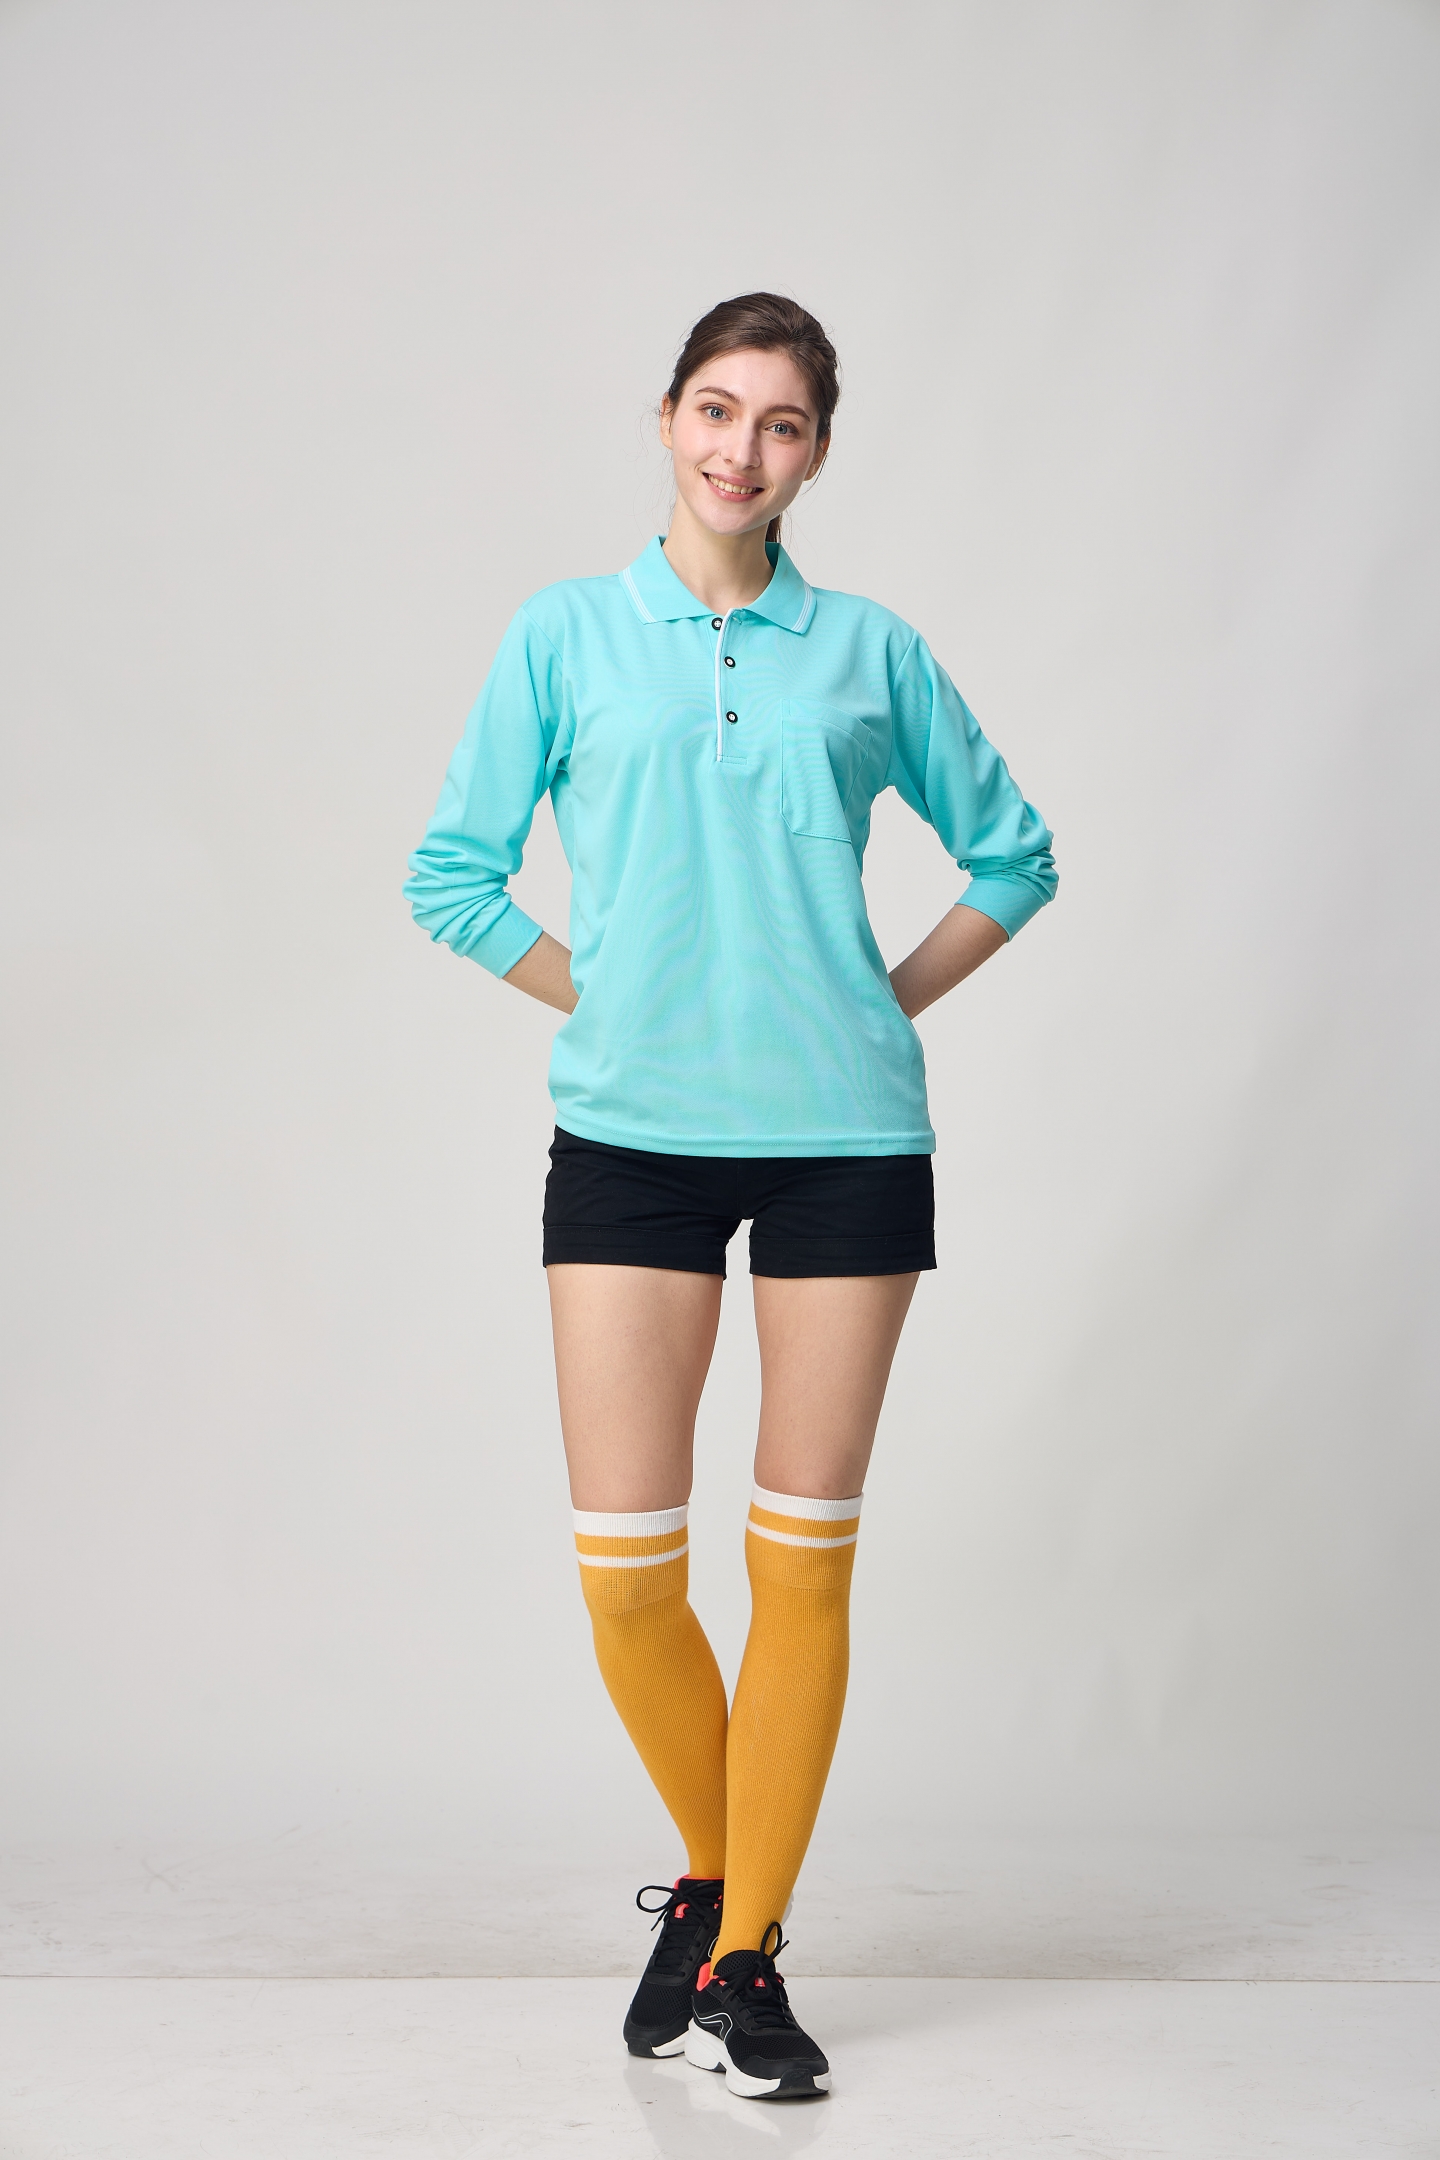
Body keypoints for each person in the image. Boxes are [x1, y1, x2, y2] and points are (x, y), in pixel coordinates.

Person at [405, 292, 1056, 2100]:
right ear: (666, 420)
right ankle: (715, 1885)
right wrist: (607, 999)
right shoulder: (564, 634)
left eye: (780, 423)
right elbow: (451, 875)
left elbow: (1015, 855)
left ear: (816, 455)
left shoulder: (869, 649)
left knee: (801, 1560)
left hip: (847, 1140)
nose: (740, 448)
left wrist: (878, 1004)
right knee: (629, 1579)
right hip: (633, 1137)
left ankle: (745, 1960)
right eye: (715, 408)